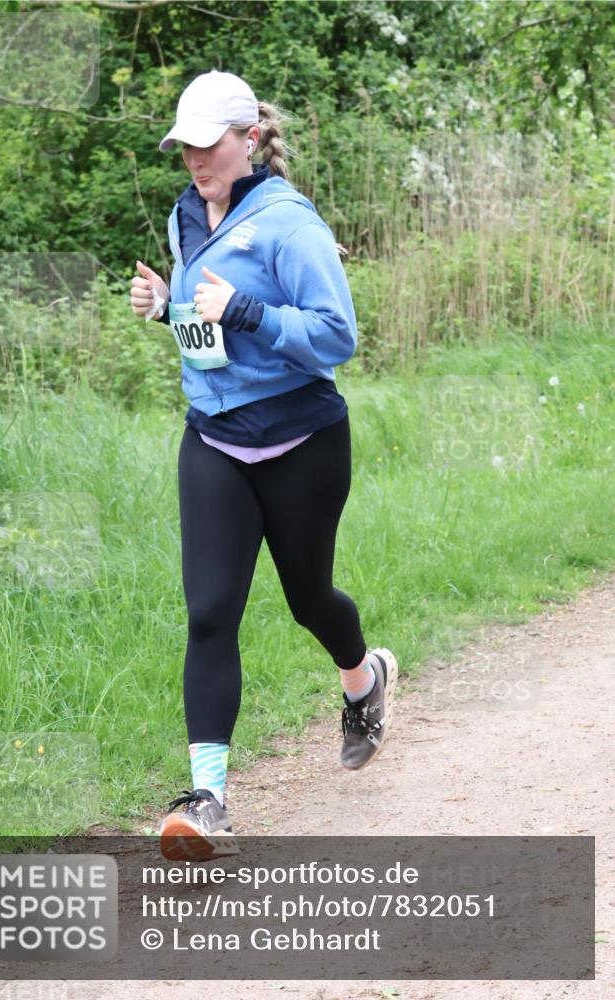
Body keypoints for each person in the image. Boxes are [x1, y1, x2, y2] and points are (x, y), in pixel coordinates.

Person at [130, 70, 398, 861]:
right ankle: (206, 798)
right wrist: (166, 305)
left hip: (301, 443)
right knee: (210, 612)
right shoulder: (188, 214)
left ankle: (363, 679)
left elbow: (335, 337)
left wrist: (244, 310)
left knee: (308, 598)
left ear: (248, 139)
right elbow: (203, 314)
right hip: (213, 437)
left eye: (208, 147)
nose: (195, 163)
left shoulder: (289, 224)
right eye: (184, 149)